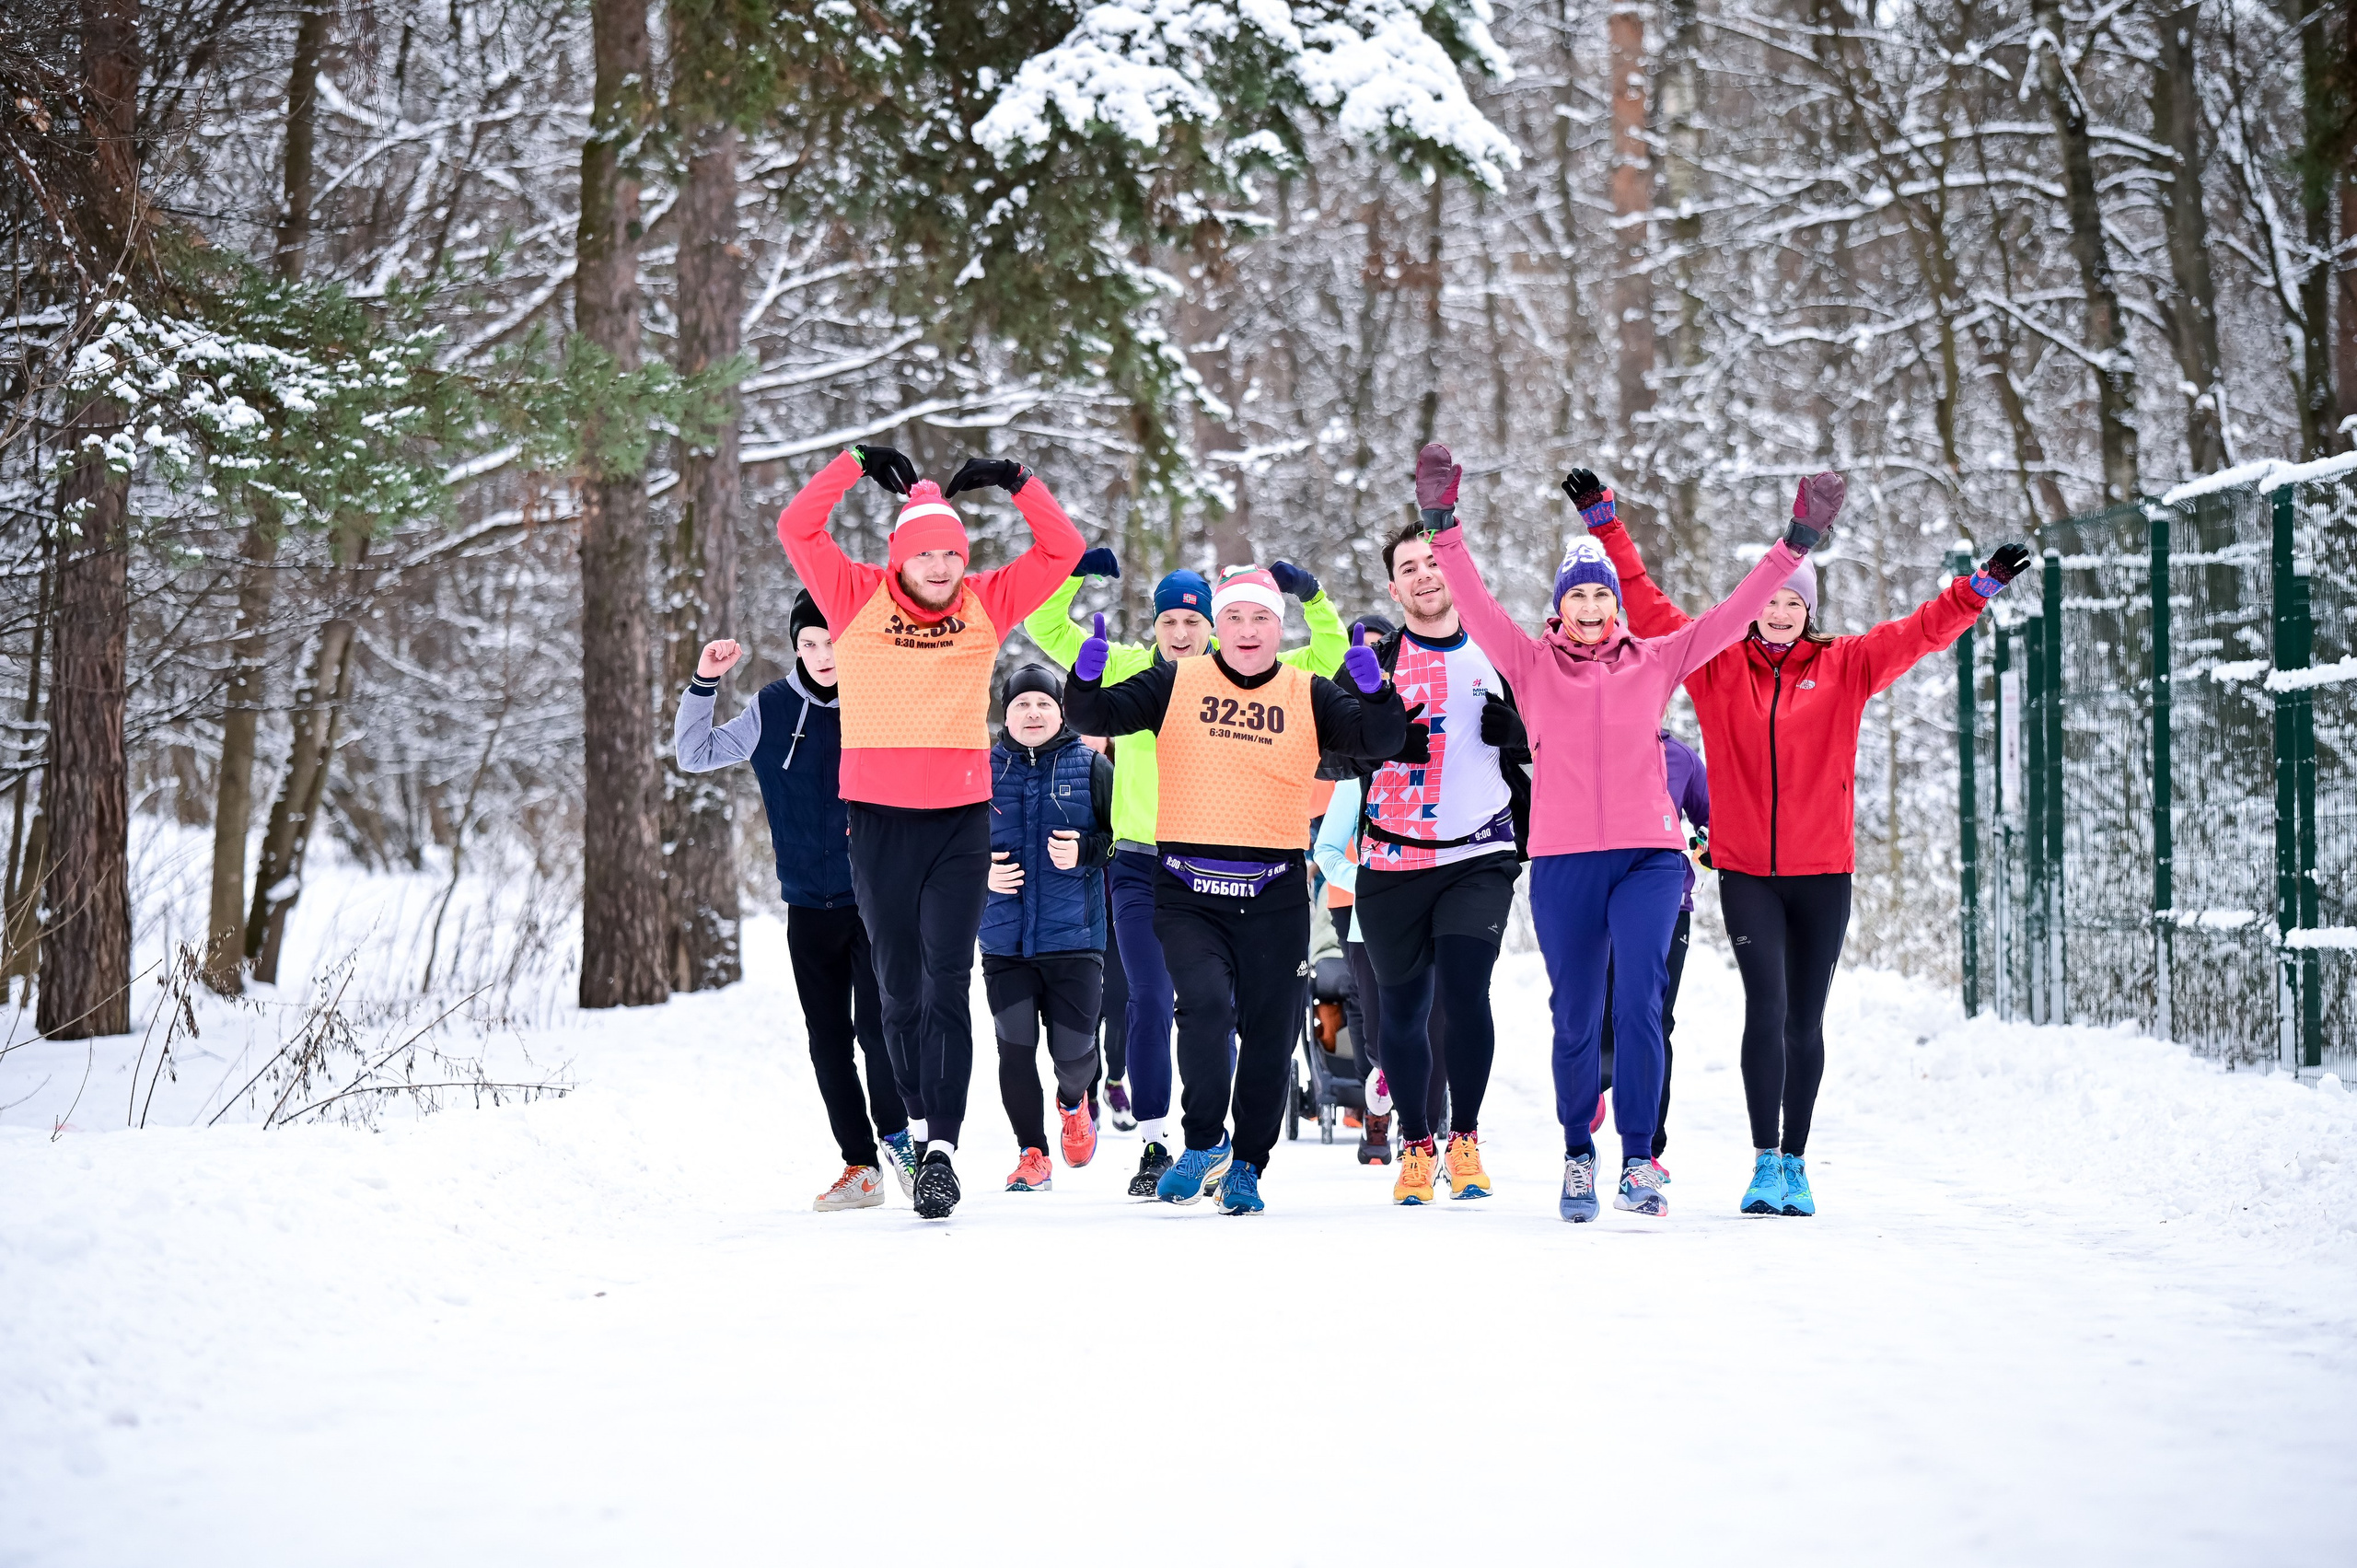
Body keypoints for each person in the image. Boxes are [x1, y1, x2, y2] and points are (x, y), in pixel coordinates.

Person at [1573, 468, 2029, 1216]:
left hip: (1824, 872)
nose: (1781, 613)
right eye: (1772, 601)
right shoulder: (1717, 667)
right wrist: (1605, 524)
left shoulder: (1846, 666)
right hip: (1748, 869)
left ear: (1809, 611)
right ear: (1753, 609)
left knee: (1805, 1018)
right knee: (1767, 1005)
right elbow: (1649, 607)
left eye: (1794, 602)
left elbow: (1917, 634)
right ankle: (1761, 1161)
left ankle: (1795, 1161)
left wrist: (1975, 590)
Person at [1430, 444, 1825, 1224]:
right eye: (1576, 597)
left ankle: (1640, 1158)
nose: (1588, 609)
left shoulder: (1656, 658)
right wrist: (1443, 527)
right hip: (1566, 862)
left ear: (1615, 604)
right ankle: (1580, 1151)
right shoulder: (1531, 664)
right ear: (1561, 605)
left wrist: (1795, 544)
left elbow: (1734, 613)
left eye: (1600, 597)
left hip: (1649, 858)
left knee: (1641, 1002)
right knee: (1575, 1013)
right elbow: (1472, 605)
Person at [778, 444, 1084, 1218]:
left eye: (952, 551)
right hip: (878, 825)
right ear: (900, 556)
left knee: (948, 981)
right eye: (926, 553)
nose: (942, 565)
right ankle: (913, 1122)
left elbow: (1064, 550)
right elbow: (796, 526)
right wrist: (852, 462)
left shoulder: (984, 602)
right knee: (899, 989)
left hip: (958, 821)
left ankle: (941, 1148)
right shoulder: (852, 595)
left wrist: (1017, 482)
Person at [1065, 567, 1406, 1215]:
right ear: (1216, 627)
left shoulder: (1306, 690)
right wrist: (1084, 676)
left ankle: (1247, 1162)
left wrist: (1378, 694)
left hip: (1274, 890)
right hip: (1188, 885)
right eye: (1236, 619)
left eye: (1261, 619)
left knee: (1271, 1033)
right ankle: (1200, 1144)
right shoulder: (1175, 679)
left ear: (1280, 628)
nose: (1248, 631)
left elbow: (1382, 741)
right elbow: (1093, 713)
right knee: (1201, 1010)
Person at [672, 594, 919, 1211]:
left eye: (832, 641)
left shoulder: (879, 702)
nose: (822, 655)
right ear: (796, 648)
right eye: (809, 644)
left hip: (874, 899)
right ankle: (861, 1166)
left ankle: (901, 1142)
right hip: (807, 904)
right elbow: (693, 753)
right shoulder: (772, 709)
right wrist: (704, 681)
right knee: (827, 1037)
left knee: (878, 1028)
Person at [1333, 459, 1534, 1207]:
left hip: (1479, 855)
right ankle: (1417, 1140)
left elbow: (1558, 732)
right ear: (1393, 588)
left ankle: (1467, 1139)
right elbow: (1331, 750)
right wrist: (1379, 738)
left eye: (1431, 561)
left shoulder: (1502, 651)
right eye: (1407, 568)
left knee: (1466, 991)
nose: (1423, 576)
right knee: (1405, 1011)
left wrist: (1519, 733)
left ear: (1454, 568)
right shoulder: (1373, 662)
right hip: (1390, 859)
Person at [982, 666, 1117, 1193]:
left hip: (1076, 941)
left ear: (1061, 711)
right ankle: (1032, 1153)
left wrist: (1085, 849)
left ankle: (1073, 1102)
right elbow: (949, 846)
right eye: (1022, 705)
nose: (1032, 713)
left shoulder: (1091, 767)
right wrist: (980, 871)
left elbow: (1119, 841)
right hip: (1003, 940)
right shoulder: (980, 769)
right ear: (1006, 712)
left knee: (1073, 1054)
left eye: (1043, 703)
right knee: (1014, 1047)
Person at [1596, 730, 1708, 1164]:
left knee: (1654, 1019)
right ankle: (1594, 1091)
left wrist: (1705, 843)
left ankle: (1648, 1151)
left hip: (1668, 903)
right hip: (1599, 898)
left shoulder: (1680, 756)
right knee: (1601, 1016)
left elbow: (1711, 816)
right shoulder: (1593, 743)